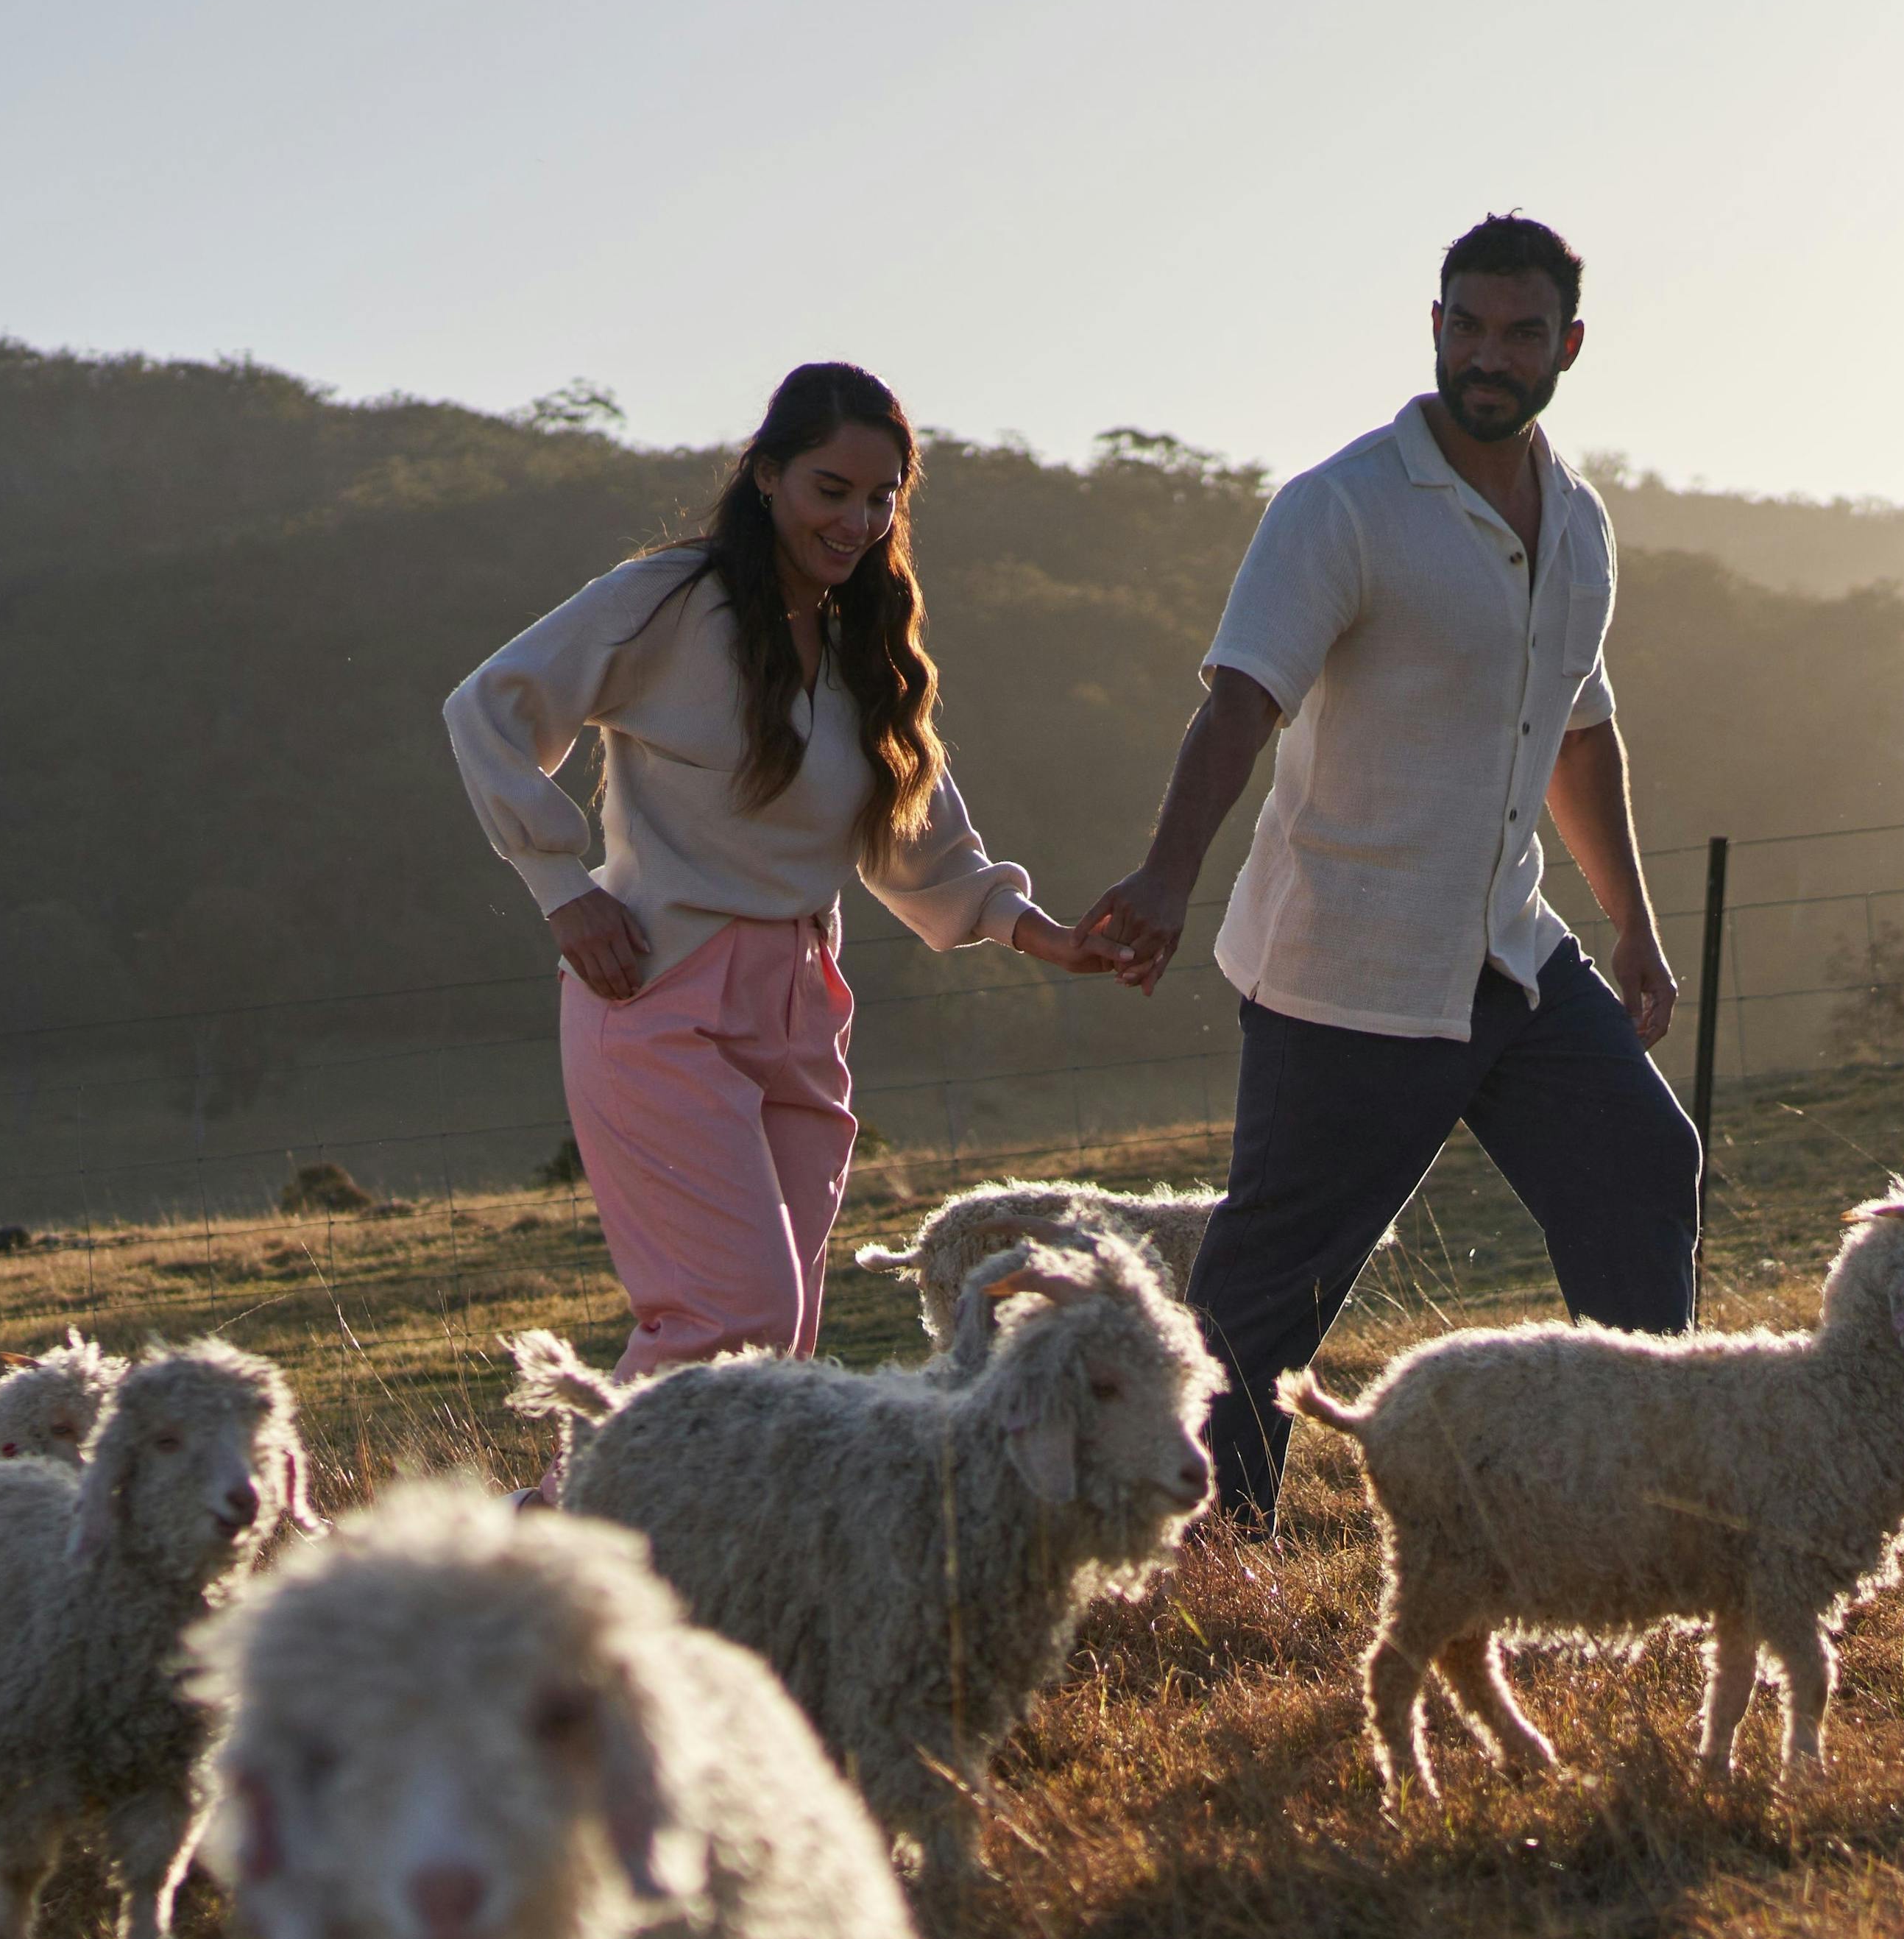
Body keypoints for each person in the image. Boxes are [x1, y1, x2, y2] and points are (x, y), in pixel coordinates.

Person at [1077, 214, 1697, 1525]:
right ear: (1435, 327)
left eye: (1522, 332)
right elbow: (1241, 700)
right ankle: (1210, 1552)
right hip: (1345, 970)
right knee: (1267, 1297)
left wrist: (1632, 928)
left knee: (1646, 1164)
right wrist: (1168, 877)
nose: (1490, 354)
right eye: (1466, 325)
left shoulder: (1579, 525)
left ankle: (1637, 1499)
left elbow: (1580, 733)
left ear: (1568, 346)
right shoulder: (1343, 507)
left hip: (1509, 955)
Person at [450, 362, 1108, 1378]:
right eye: (830, 491)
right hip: (660, 989)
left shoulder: (867, 650)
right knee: (728, 1317)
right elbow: (487, 709)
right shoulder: (668, 601)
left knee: (778, 1348)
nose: (856, 522)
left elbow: (923, 846)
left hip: (803, 1006)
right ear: (768, 476)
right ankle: (549, 1539)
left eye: (881, 499)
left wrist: (1043, 934)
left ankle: (689, 1540)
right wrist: (562, 889)